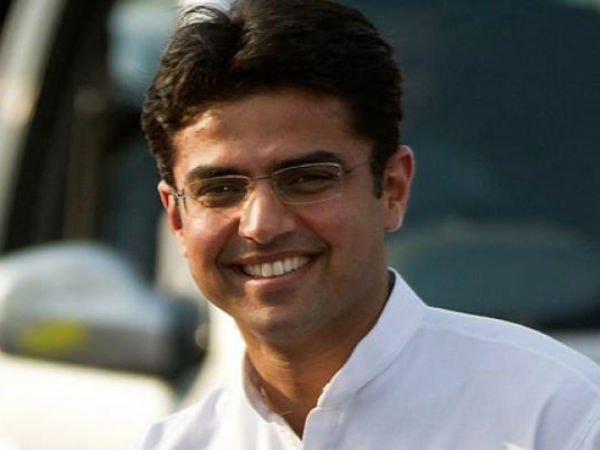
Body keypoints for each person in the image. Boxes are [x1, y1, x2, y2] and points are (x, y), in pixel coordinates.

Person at [133, 1, 600, 449]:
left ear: (393, 188)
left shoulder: (558, 417)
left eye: (307, 179)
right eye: (220, 189)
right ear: (176, 217)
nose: (261, 225)